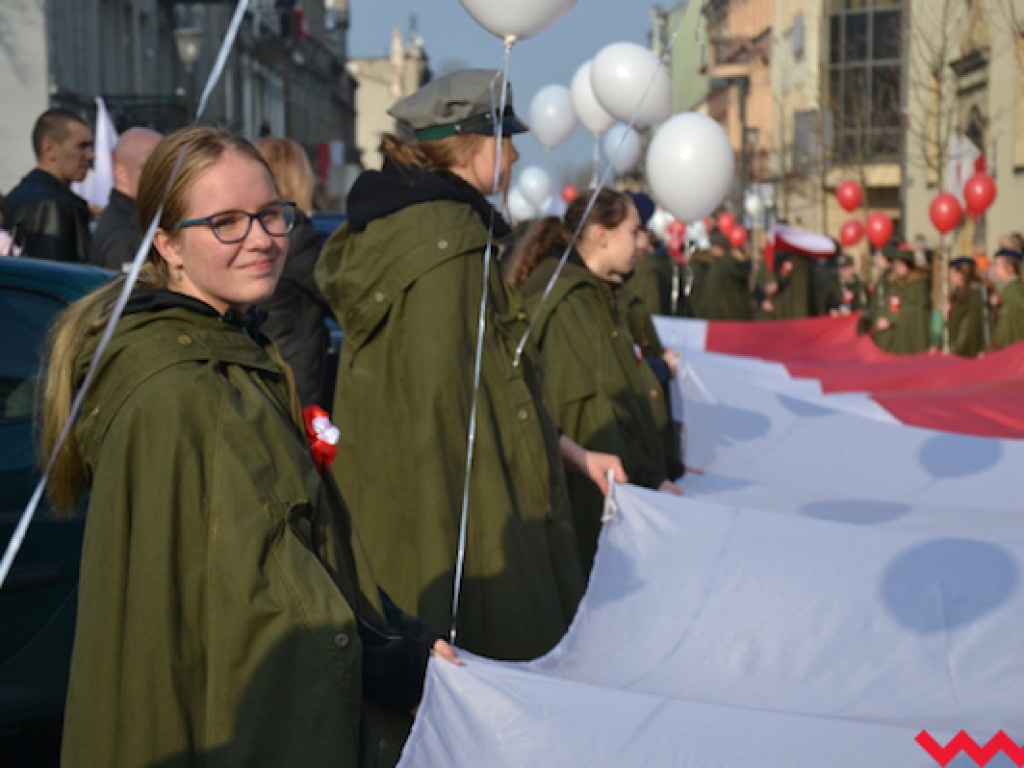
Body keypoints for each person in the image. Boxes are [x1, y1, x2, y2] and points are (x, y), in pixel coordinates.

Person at [43, 126, 455, 768]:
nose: (261, 238)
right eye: (227, 222)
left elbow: (294, 546)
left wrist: (398, 633)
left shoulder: (232, 349)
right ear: (168, 244)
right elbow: (258, 597)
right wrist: (388, 661)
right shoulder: (184, 388)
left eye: (269, 214)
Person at [315, 70, 625, 662]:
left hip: (415, 514)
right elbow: (450, 417)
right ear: (468, 144)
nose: (515, 154)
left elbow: (479, 388)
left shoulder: (417, 227)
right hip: (463, 529)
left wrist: (572, 453)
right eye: (504, 138)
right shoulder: (445, 240)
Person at [510, 189, 684, 572]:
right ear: (601, 235)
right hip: (594, 503)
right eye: (633, 231)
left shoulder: (597, 294)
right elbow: (591, 416)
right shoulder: (572, 304)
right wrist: (649, 481)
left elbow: (626, 394)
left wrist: (666, 468)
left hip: (613, 488)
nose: (643, 242)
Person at [254, 136, 336, 409]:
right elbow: (339, 294)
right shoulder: (292, 235)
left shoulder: (251, 230)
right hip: (293, 376)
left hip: (266, 366)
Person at [5, 108, 94, 261]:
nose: (91, 155)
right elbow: (51, 270)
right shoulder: (50, 204)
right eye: (81, 146)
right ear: (49, 149)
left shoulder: (22, 195)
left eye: (90, 146)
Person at [88, 127, 163, 271]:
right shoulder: (124, 235)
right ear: (121, 173)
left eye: (169, 167)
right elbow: (132, 284)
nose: (164, 175)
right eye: (151, 167)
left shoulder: (139, 220)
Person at [871, 246, 931, 354]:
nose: (897, 268)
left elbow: (913, 310)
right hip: (895, 337)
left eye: (900, 264)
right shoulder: (894, 284)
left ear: (908, 265)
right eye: (895, 265)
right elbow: (888, 304)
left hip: (912, 337)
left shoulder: (918, 285)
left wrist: (891, 320)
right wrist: (882, 318)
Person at [703, 231, 753, 321]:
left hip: (722, 320)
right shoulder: (735, 266)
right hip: (736, 319)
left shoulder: (719, 266)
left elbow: (712, 295)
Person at [946, 256, 987, 357]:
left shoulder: (974, 294)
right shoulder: (957, 293)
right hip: (957, 350)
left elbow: (968, 327)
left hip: (967, 352)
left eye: (952, 272)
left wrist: (953, 350)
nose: (950, 276)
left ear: (962, 273)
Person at [990, 247, 1024, 350]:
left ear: (1010, 268)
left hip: (1013, 353)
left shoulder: (1014, 293)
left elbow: (1008, 331)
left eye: (997, 266)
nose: (994, 270)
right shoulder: (1009, 291)